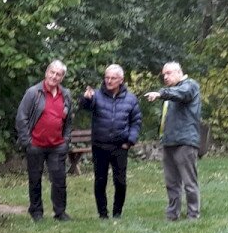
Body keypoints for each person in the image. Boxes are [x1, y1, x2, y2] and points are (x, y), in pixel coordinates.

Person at [80, 64, 142, 219]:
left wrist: (130, 141)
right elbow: (85, 106)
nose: (109, 81)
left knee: (120, 182)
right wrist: (86, 98)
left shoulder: (131, 99)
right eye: (107, 77)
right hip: (100, 145)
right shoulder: (96, 95)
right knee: (100, 181)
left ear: (121, 80)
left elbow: (136, 121)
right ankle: (102, 214)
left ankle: (117, 213)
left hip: (120, 146)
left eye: (113, 78)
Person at [14, 61, 73, 221]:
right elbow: (21, 118)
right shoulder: (33, 93)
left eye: (58, 74)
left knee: (59, 180)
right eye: (52, 72)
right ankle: (36, 212)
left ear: (62, 77)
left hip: (57, 145)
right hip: (35, 144)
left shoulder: (65, 94)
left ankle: (60, 212)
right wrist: (27, 141)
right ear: (46, 72)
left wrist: (66, 140)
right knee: (35, 179)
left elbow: (69, 120)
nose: (54, 76)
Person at [146, 61, 203, 221]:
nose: (165, 77)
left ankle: (193, 214)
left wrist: (161, 93)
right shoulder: (171, 92)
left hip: (185, 141)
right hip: (169, 142)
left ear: (179, 72)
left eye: (169, 73)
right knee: (171, 182)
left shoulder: (189, 85)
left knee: (189, 181)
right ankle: (172, 214)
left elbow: (182, 94)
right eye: (164, 74)